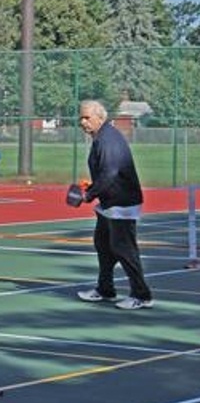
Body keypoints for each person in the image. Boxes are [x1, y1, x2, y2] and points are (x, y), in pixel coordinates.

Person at [75, 100, 154, 310]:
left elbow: (110, 173)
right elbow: (107, 173)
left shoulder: (107, 139)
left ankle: (142, 295)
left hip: (122, 203)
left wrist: (89, 194)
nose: (82, 122)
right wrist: (93, 188)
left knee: (124, 249)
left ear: (100, 117)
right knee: (103, 244)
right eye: (80, 118)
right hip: (110, 201)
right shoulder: (102, 137)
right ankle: (105, 289)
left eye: (87, 118)